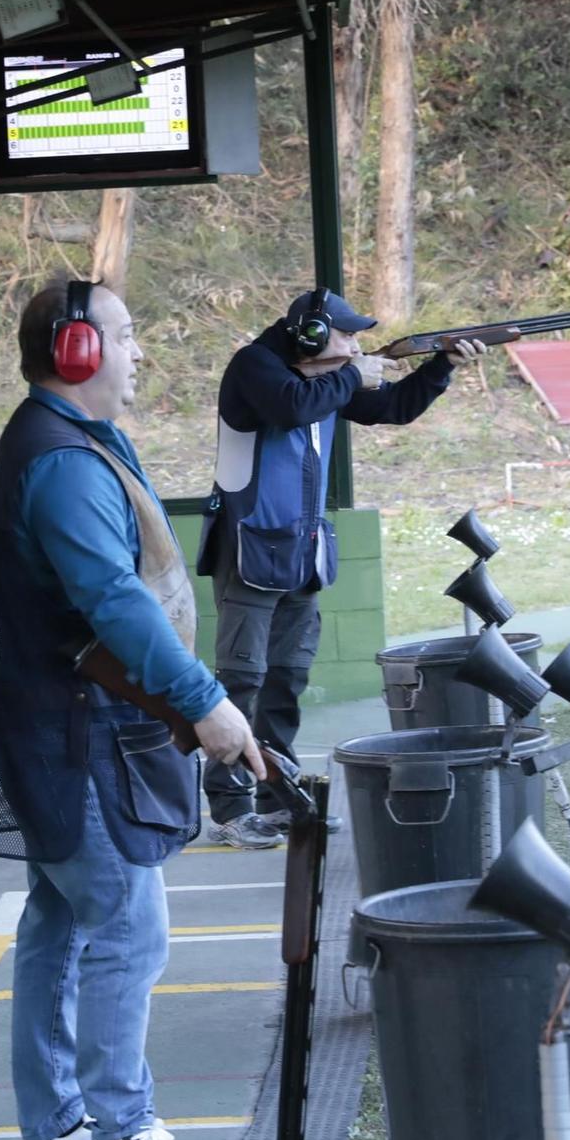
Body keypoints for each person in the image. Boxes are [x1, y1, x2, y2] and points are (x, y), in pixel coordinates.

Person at [0, 276, 264, 1140]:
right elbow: (116, 603)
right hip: (76, 733)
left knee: (60, 927)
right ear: (76, 353)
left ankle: (58, 1128)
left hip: (64, 727)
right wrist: (207, 702)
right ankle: (122, 1133)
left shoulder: (71, 444)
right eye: (124, 336)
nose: (138, 352)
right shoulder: (61, 461)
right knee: (128, 930)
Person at [198, 289, 485, 849]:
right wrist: (356, 375)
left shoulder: (325, 381)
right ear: (307, 335)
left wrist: (441, 365)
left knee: (285, 680)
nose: (356, 345)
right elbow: (291, 406)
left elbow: (394, 408)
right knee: (240, 681)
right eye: (346, 334)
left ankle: (273, 798)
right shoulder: (255, 367)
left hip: (301, 556)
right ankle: (230, 807)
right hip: (249, 548)